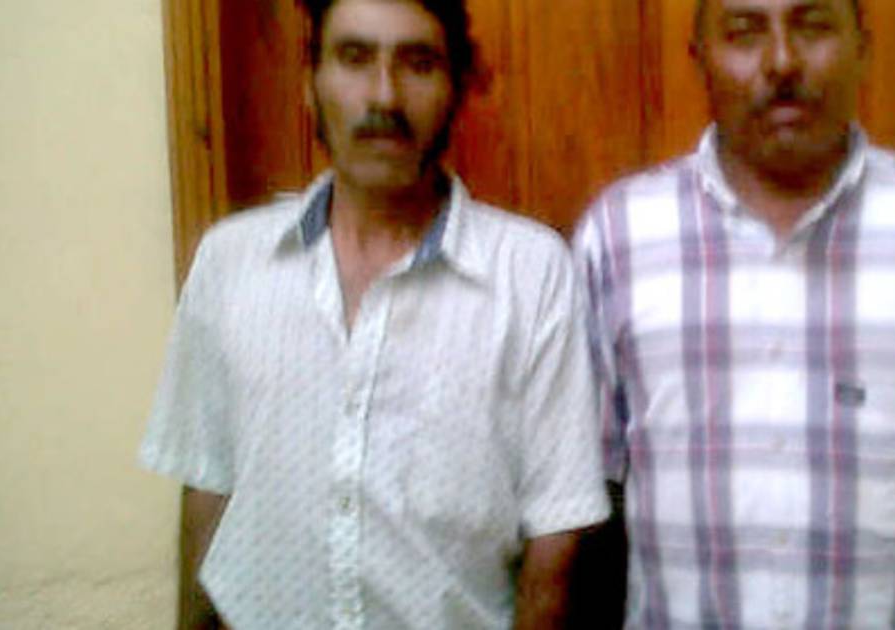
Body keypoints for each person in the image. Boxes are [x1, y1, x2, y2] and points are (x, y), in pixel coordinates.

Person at [573, 0, 895, 627]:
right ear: (700, 60)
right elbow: (585, 491)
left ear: (863, 48)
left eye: (813, 25)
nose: (782, 61)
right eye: (743, 32)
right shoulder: (620, 235)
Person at [139, 0, 609, 628]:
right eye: (354, 57)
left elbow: (556, 537)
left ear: (457, 88)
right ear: (310, 84)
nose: (384, 95)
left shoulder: (531, 273)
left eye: (418, 63)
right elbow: (206, 487)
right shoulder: (230, 262)